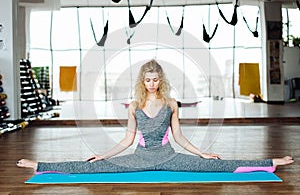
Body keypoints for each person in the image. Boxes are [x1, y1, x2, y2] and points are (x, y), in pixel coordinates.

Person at [17, 59, 293, 174]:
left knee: (217, 166)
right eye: (147, 79)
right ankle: (38, 165)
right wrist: (103, 154)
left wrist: (202, 153)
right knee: (92, 167)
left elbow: (179, 136)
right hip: (139, 156)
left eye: (155, 79)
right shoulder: (134, 105)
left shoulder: (172, 103)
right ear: (143, 81)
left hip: (169, 156)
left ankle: (271, 162)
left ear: (160, 80)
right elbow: (127, 138)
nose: (151, 83)